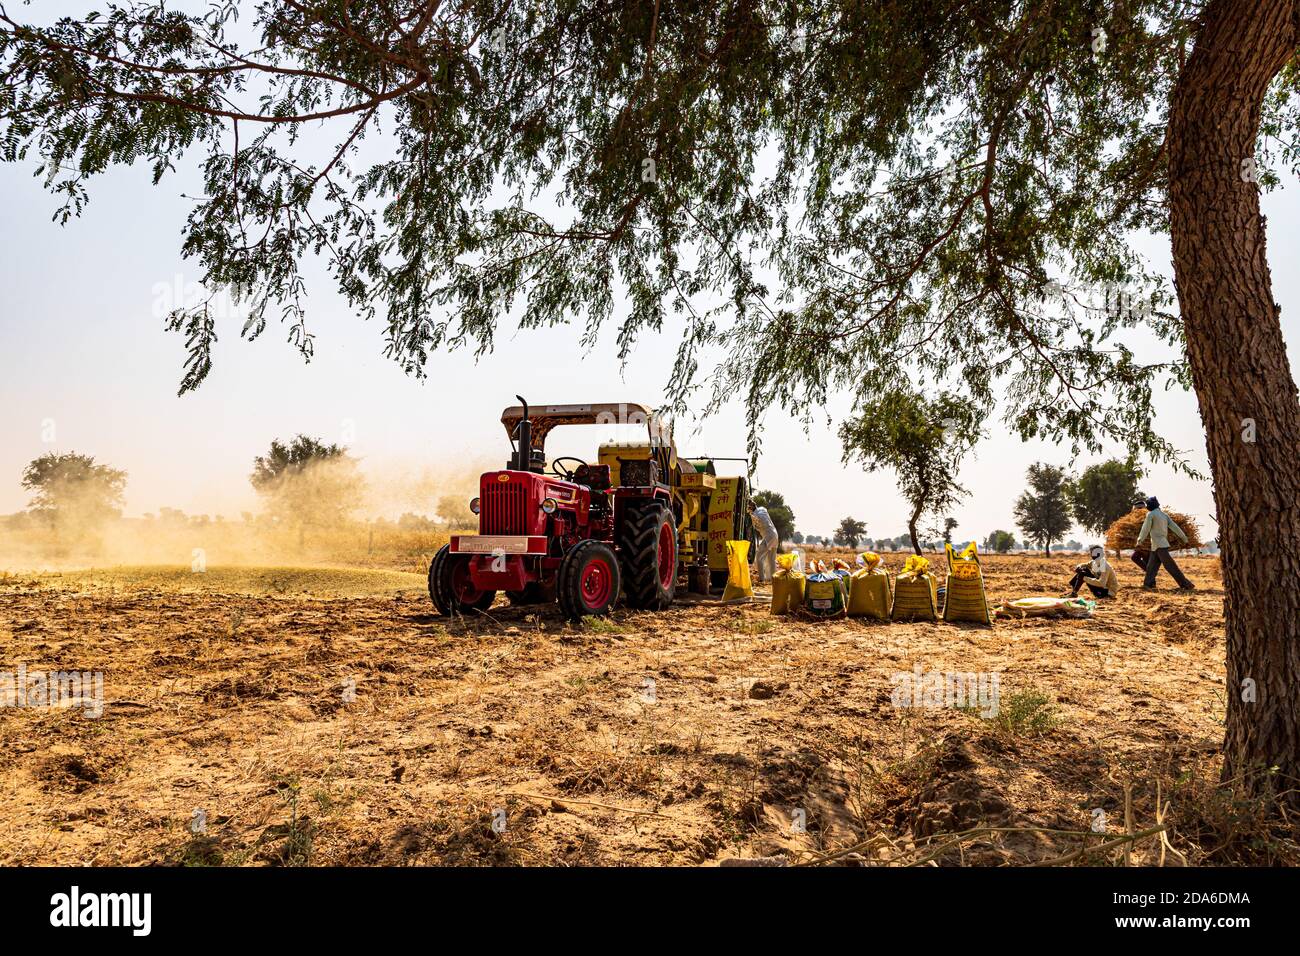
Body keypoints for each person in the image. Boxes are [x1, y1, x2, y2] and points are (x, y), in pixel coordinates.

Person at [1135, 496, 1195, 591]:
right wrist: (1185, 539)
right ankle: (1147, 585)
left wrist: (1139, 541)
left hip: (1159, 546)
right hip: (1158, 545)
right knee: (1151, 567)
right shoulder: (1164, 515)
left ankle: (1186, 584)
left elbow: (1145, 529)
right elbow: (1175, 528)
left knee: (1171, 567)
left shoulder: (1150, 515)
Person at [750, 504, 780, 584]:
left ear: (751, 508)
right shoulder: (763, 509)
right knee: (772, 559)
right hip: (775, 534)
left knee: (759, 557)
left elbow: (754, 526)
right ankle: (774, 579)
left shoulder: (754, 515)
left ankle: (761, 579)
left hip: (768, 536)